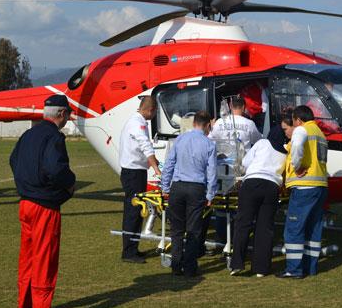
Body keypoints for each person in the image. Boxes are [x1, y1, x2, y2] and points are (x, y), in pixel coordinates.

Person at [10, 94, 76, 308]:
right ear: (61, 114)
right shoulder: (54, 137)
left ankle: (25, 304)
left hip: (25, 203)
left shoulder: (29, 134)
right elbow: (55, 168)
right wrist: (70, 182)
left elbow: (13, 160)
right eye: (67, 114)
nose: (68, 118)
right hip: (44, 206)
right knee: (44, 259)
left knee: (27, 256)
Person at [161, 111, 217, 277]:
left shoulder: (180, 139)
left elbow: (169, 164)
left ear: (193, 123)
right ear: (207, 125)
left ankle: (176, 265)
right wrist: (210, 194)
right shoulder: (209, 144)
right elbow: (212, 172)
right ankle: (190, 267)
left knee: (176, 230)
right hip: (196, 188)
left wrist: (165, 187)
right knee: (193, 230)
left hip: (177, 187)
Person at [229, 123, 289, 277]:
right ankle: (261, 268)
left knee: (243, 223)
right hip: (272, 187)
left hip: (252, 182)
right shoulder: (285, 152)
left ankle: (237, 264)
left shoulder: (262, 143)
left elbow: (245, 162)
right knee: (265, 228)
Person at [277, 105, 328, 280]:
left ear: (298, 119)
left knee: (294, 228)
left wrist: (297, 167)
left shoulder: (301, 130)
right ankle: (311, 267)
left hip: (305, 185)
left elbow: (297, 146)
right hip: (320, 186)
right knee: (313, 228)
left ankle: (294, 269)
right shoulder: (320, 134)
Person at [119, 96, 162, 263]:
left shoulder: (135, 121)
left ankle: (132, 247)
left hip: (134, 170)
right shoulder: (139, 123)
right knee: (134, 210)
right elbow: (145, 145)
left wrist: (152, 162)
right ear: (150, 110)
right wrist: (156, 168)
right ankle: (129, 251)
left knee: (136, 210)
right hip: (134, 172)